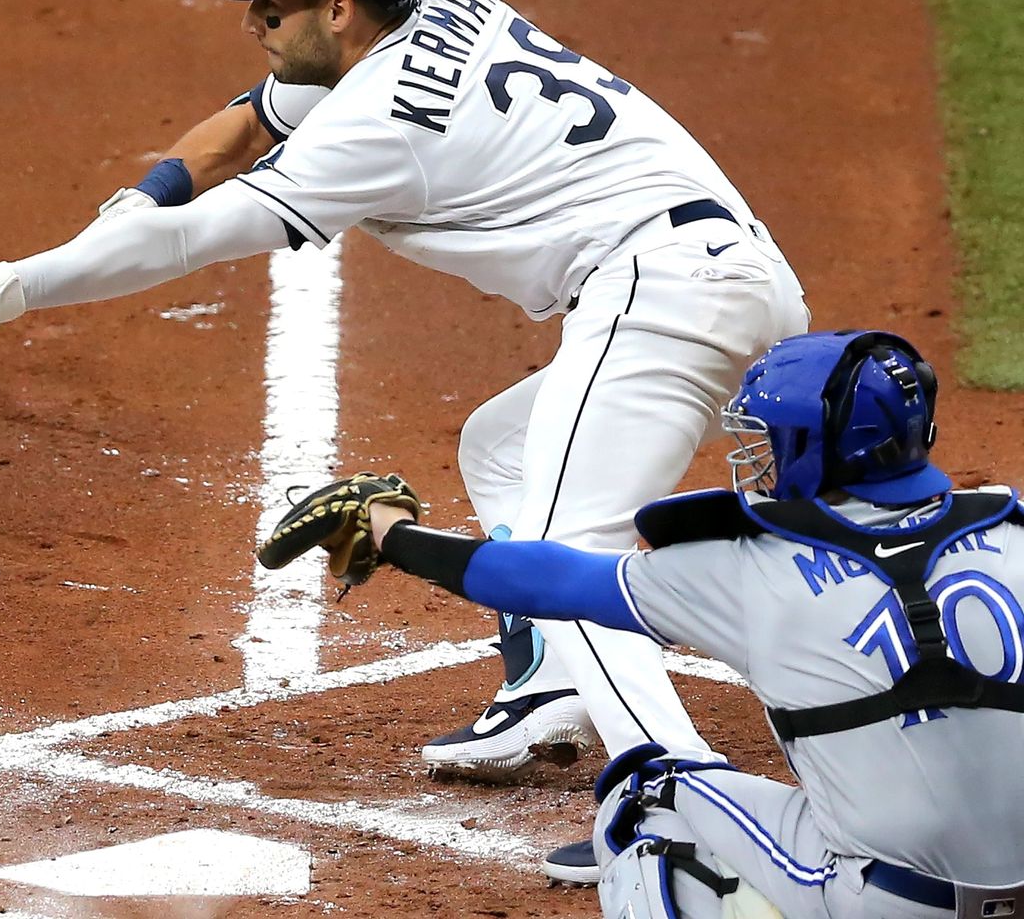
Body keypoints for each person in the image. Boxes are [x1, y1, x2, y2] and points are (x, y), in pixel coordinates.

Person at [0, 0, 810, 880]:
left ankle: (676, 803)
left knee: (565, 547)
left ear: (339, 8)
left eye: (272, 5)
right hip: (738, 277)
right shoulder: (441, 3)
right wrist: (130, 206)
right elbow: (246, 124)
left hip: (661, 294)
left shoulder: (377, 126)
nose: (252, 21)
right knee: (501, 449)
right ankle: (555, 681)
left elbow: (199, 237)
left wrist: (5, 291)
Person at [259, 329, 1024, 917]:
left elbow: (549, 580)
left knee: (644, 796)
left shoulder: (745, 572)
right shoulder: (1016, 534)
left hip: (887, 902)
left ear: (810, 448)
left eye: (764, 439)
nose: (751, 454)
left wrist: (389, 531)